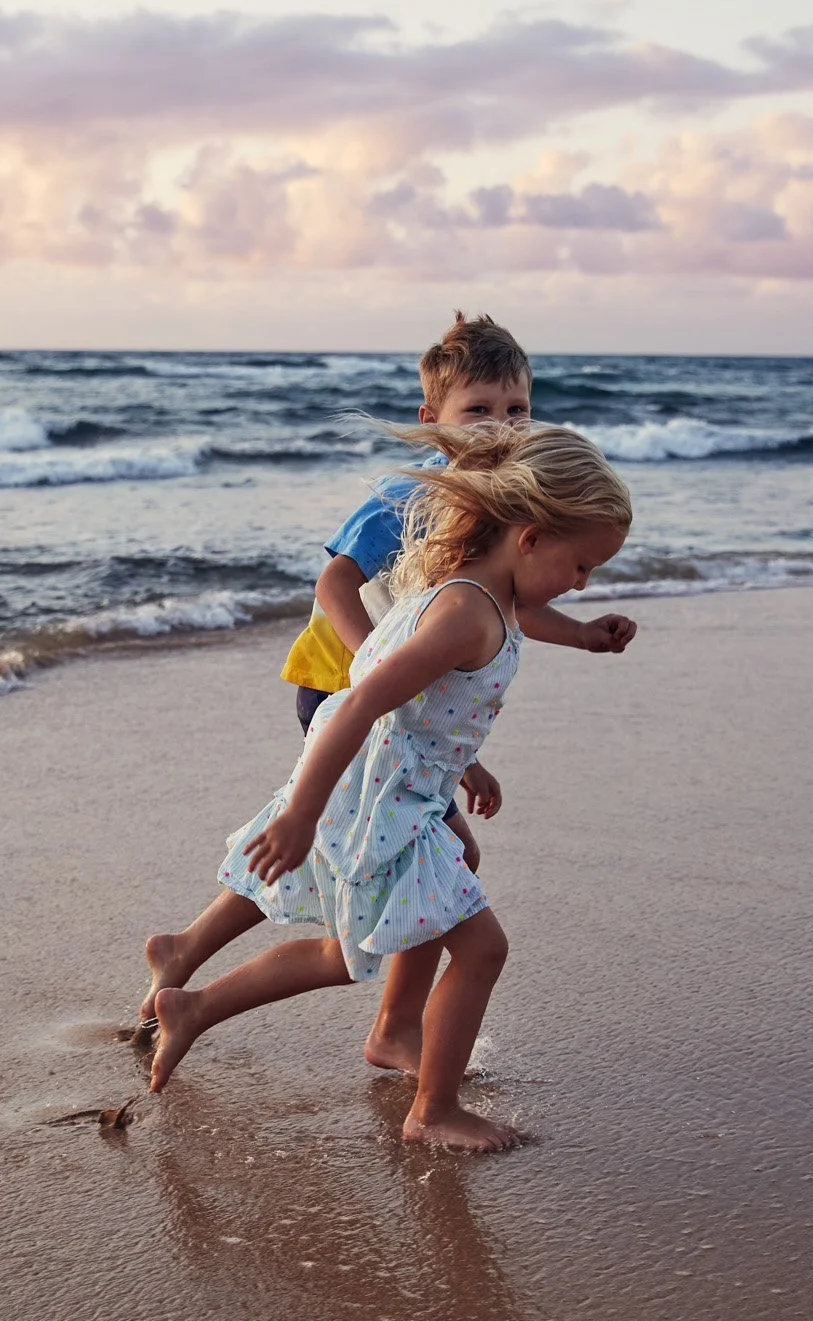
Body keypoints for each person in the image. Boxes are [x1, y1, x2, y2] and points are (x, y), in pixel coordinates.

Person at [139, 315, 636, 1075]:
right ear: (431, 417)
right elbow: (337, 581)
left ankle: (195, 952)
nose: (498, 425)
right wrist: (372, 655)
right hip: (342, 682)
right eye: (479, 409)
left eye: (516, 410)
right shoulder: (405, 496)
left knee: (358, 860)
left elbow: (504, 622)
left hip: (406, 706)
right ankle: (384, 1023)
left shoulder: (496, 513)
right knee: (346, 852)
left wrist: (580, 635)